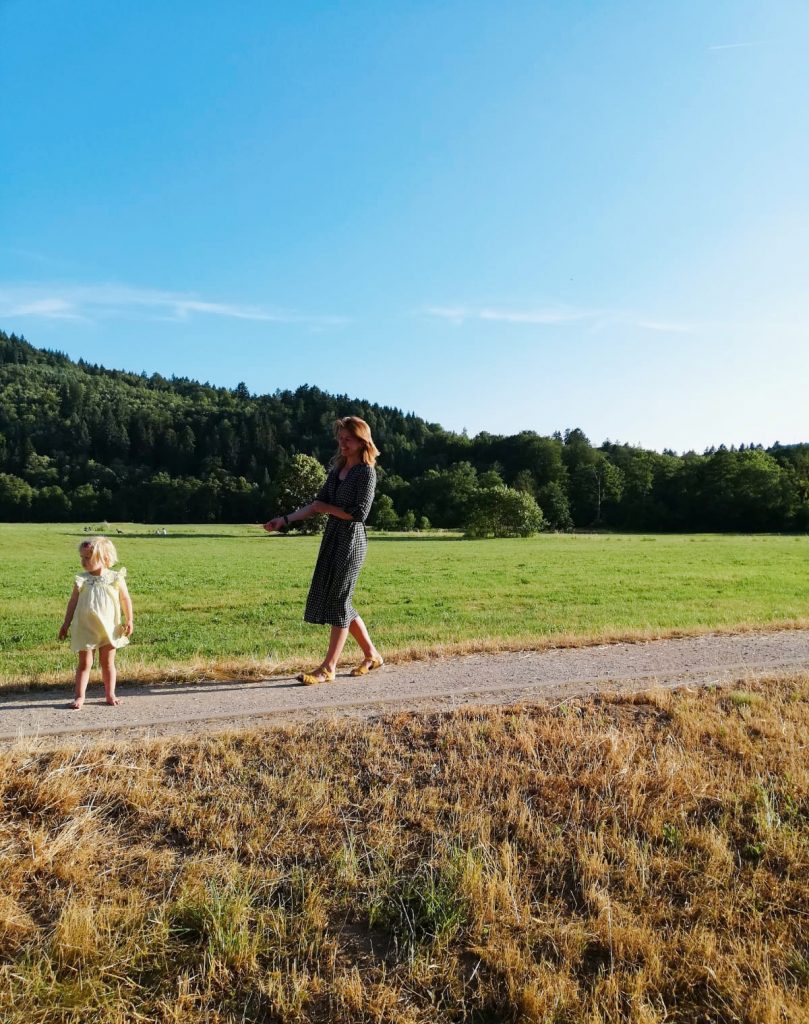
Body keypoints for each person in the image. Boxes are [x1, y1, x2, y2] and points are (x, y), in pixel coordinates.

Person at [264, 416, 384, 684]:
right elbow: (316, 504)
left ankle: (329, 667)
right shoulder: (338, 471)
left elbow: (359, 514)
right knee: (339, 600)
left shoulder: (366, 473)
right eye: (340, 439)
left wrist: (325, 509)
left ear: (362, 440)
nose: (342, 443)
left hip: (351, 541)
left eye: (347, 439)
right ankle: (372, 655)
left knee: (339, 601)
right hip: (333, 539)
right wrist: (283, 521)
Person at [58, 536, 133, 709]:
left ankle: (110, 694)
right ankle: (79, 696)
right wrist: (66, 623)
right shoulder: (81, 579)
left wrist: (129, 619)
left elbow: (125, 599)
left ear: (105, 559)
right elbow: (73, 602)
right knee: (85, 664)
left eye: (88, 558)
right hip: (85, 628)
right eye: (82, 557)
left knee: (107, 663)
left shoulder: (115, 578)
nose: (83, 562)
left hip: (109, 628)